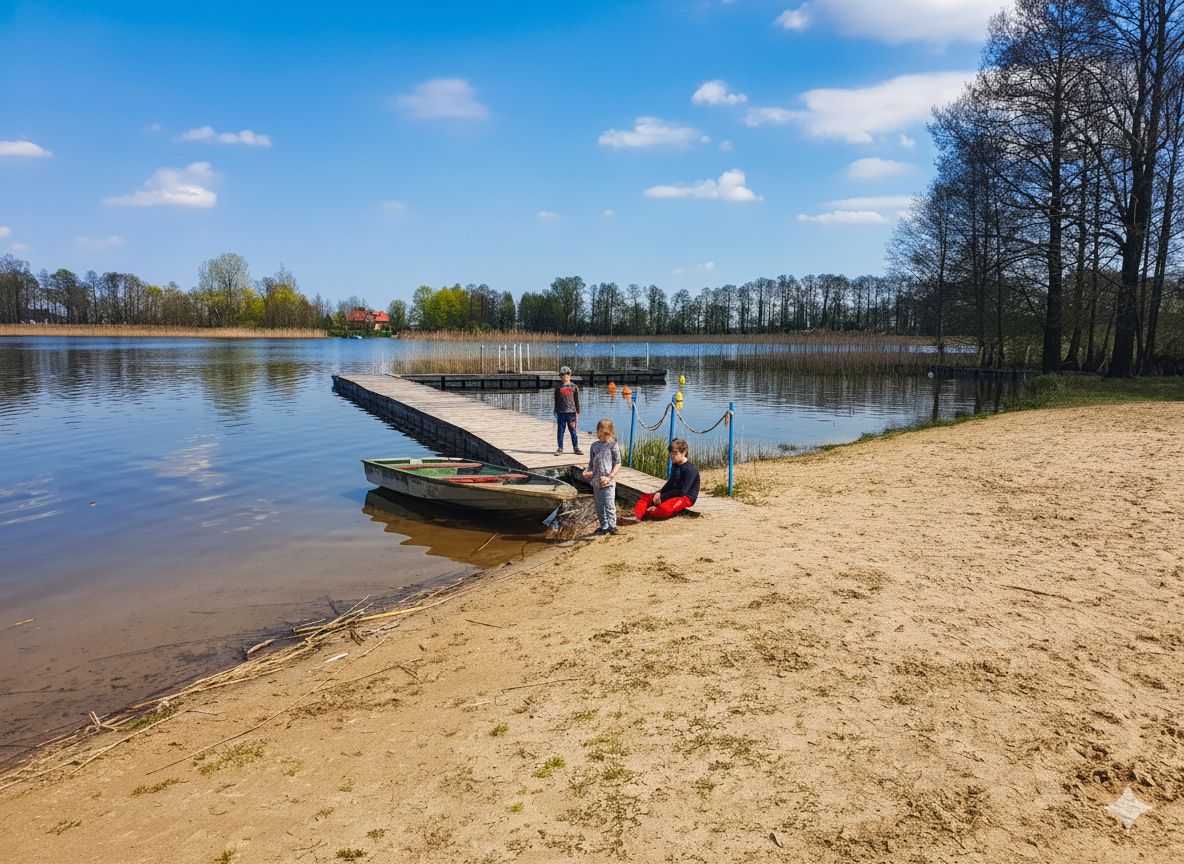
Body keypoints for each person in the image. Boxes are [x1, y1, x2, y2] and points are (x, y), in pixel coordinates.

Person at [634, 437, 699, 521]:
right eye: (671, 453)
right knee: (645, 497)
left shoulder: (690, 469)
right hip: (674, 493)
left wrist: (663, 498)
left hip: (686, 498)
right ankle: (636, 516)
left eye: (675, 453)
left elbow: (682, 491)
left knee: (664, 509)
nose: (671, 456)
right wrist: (660, 493)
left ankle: (648, 513)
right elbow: (670, 483)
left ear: (684, 452)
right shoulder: (676, 465)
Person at [582, 418, 621, 535]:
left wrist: (610, 477)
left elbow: (618, 463)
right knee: (599, 506)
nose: (603, 435)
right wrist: (588, 472)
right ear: (597, 431)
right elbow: (591, 464)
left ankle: (613, 526)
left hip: (608, 482)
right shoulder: (594, 446)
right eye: (600, 432)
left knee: (609, 505)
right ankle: (604, 526)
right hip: (596, 482)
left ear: (610, 433)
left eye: (606, 433)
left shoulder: (613, 445)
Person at [553, 365, 582, 455]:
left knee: (573, 431)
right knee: (560, 431)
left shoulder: (574, 387)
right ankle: (560, 448)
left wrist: (578, 411)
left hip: (571, 413)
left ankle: (576, 448)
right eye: (564, 375)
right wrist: (555, 410)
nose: (566, 376)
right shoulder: (558, 388)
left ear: (570, 375)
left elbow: (577, 400)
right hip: (561, 413)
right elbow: (556, 400)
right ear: (561, 376)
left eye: (567, 374)